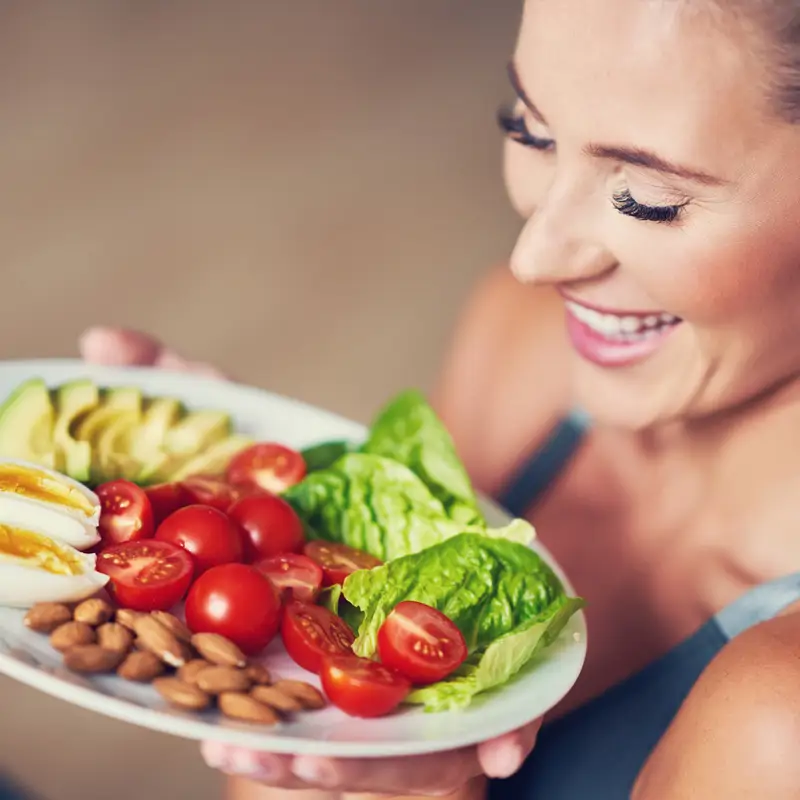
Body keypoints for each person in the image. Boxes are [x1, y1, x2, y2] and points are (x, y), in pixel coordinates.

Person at [76, 0, 800, 797]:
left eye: (646, 198)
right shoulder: (523, 344)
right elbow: (277, 768)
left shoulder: (782, 722)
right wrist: (279, 542)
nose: (536, 257)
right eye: (530, 129)